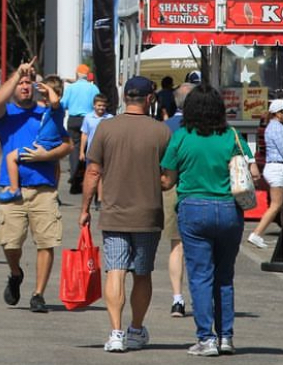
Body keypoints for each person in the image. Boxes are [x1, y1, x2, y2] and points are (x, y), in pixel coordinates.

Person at [160, 84, 260, 356]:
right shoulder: (232, 136)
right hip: (229, 209)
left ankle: (206, 339)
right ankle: (226, 337)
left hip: (193, 208)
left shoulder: (181, 137)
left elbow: (167, 181)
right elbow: (253, 173)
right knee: (224, 276)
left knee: (201, 276)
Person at [80, 75, 171, 353]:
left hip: (114, 213)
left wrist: (84, 209)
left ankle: (116, 333)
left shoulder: (106, 129)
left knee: (115, 270)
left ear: (124, 98)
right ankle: (135, 329)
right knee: (142, 273)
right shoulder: (162, 132)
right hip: (148, 214)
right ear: (149, 99)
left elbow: (93, 171)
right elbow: (168, 180)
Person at [0, 61, 72, 314]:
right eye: (21, 84)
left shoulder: (46, 112)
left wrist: (44, 157)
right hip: (12, 189)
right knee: (10, 244)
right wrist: (17, 73)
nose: (25, 86)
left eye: (29, 83)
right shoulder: (7, 114)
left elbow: (67, 145)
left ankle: (38, 294)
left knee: (45, 242)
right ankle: (15, 273)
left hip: (43, 188)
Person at [0, 76, 63, 203]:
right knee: (56, 164)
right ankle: (55, 188)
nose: (43, 99)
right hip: (47, 144)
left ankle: (14, 189)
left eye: (45, 96)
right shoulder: (47, 111)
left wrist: (49, 90)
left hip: (43, 144)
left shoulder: (57, 110)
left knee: (11, 157)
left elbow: (55, 101)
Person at [247, 98, 283, 249]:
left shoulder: (273, 126)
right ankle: (256, 233)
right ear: (279, 114)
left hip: (276, 168)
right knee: (277, 204)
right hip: (277, 169)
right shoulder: (277, 128)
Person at [162, 82, 192, 318]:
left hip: (171, 189)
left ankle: (177, 298)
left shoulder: (165, 127)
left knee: (176, 246)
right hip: (201, 189)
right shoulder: (207, 127)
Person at [62, 63, 101, 193]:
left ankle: (74, 175)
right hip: (89, 119)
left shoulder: (71, 88)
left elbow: (64, 104)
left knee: (74, 148)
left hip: (73, 119)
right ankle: (87, 175)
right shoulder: (93, 88)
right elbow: (98, 103)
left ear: (77, 74)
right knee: (89, 147)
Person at [79, 93, 113, 210]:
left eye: (103, 106)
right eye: (99, 105)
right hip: (91, 151)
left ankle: (100, 199)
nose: (101, 108)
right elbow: (84, 134)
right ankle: (88, 198)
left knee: (102, 175)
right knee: (92, 176)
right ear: (94, 105)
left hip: (105, 151)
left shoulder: (110, 118)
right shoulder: (88, 118)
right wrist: (81, 151)